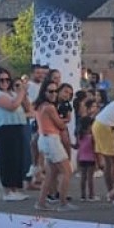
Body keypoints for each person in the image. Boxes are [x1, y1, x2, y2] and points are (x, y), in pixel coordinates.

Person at [0, 67, 30, 202]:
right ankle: (7, 190)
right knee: (7, 159)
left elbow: (27, 107)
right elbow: (12, 106)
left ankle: (15, 188)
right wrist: (21, 93)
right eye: (2, 80)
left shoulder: (13, 93)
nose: (5, 82)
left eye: (7, 79)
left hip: (17, 126)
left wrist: (21, 92)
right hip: (4, 128)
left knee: (18, 158)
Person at [33, 80, 75, 211]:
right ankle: (62, 203)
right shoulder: (50, 107)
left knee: (51, 174)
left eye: (55, 91)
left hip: (45, 139)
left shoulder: (40, 106)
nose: (53, 94)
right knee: (67, 171)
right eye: (50, 91)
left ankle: (41, 202)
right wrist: (66, 119)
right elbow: (61, 125)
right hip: (51, 140)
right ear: (44, 92)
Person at [75, 115, 98, 201]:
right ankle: (91, 195)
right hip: (91, 158)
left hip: (81, 158)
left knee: (83, 177)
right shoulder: (91, 137)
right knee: (90, 178)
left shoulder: (80, 135)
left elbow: (77, 146)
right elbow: (94, 148)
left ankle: (83, 195)